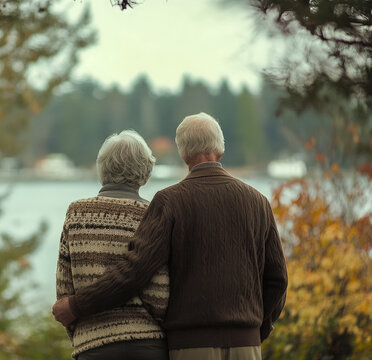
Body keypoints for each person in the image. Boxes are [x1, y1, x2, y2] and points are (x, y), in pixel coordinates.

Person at [53, 113, 288, 360]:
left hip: (190, 345)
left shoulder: (170, 202)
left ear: (183, 154)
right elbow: (278, 279)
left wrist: (76, 306)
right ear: (221, 149)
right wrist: (256, 331)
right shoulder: (258, 202)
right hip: (246, 343)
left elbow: (136, 271)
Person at [56, 130, 170, 360]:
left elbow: (64, 288)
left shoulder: (76, 213)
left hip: (92, 346)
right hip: (146, 345)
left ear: (102, 169)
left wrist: (82, 333)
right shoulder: (151, 215)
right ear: (146, 173)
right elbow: (159, 294)